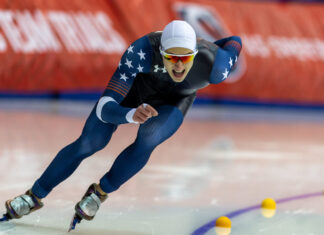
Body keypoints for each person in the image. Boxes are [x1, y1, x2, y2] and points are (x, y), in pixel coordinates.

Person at [0, 20, 242, 230]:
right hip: (133, 94)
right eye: (172, 58)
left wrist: (208, 43)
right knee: (91, 141)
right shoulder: (140, 52)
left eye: (185, 58)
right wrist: (130, 114)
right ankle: (33, 197)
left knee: (151, 135)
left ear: (195, 55)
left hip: (175, 100)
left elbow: (234, 40)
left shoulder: (215, 66)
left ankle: (100, 192)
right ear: (161, 52)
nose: (179, 66)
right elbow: (106, 107)